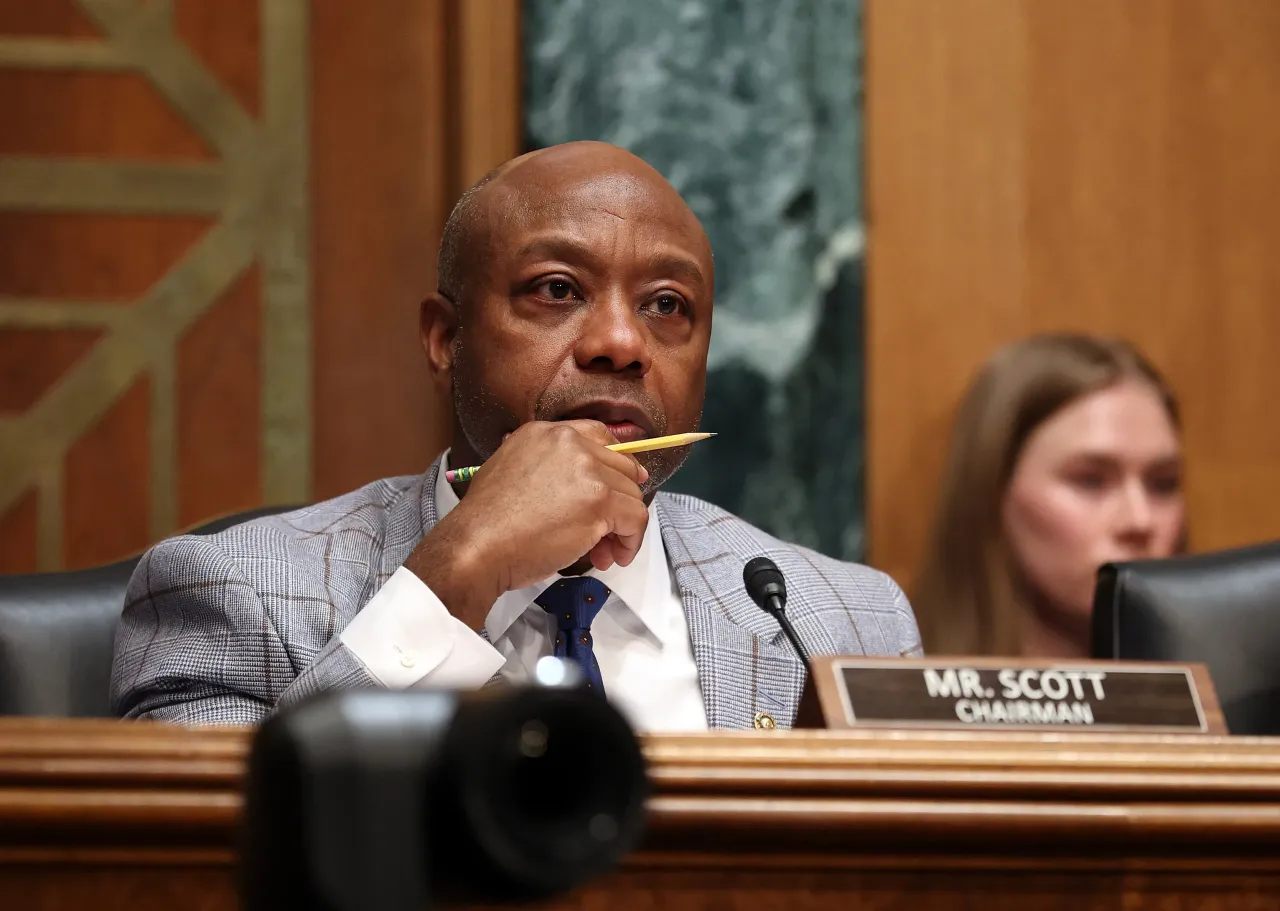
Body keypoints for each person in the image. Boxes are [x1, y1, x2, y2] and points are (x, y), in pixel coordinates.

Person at [111, 141, 921, 730]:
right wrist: (455, 575)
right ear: (444, 338)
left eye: (667, 304)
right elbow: (207, 871)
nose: (623, 342)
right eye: (557, 289)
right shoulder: (231, 596)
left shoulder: (845, 619)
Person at [912, 333, 1185, 658]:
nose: (1140, 521)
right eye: (1090, 481)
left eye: (1163, 484)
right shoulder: (878, 692)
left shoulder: (1230, 698)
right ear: (994, 493)